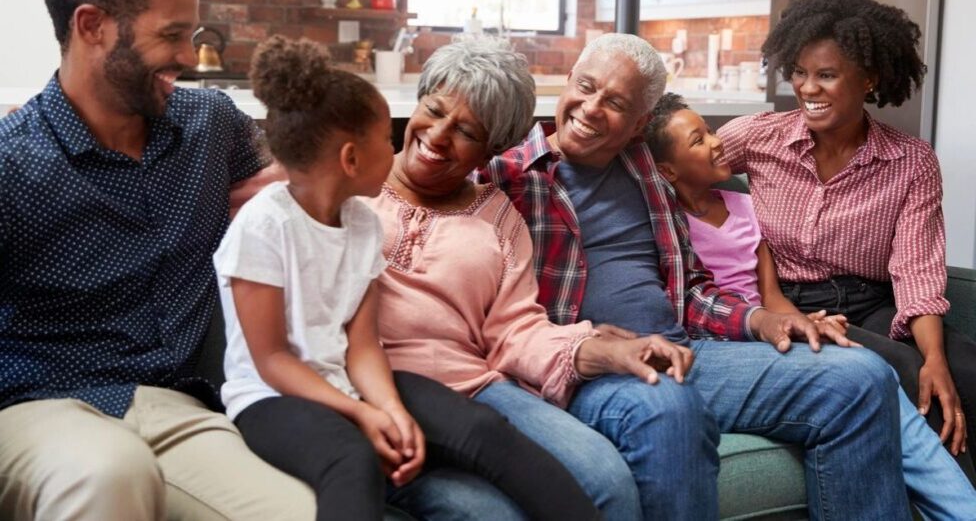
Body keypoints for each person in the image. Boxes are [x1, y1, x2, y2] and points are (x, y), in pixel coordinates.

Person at [480, 32, 912, 520]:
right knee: (668, 404)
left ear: (640, 124)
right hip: (593, 369)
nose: (592, 107)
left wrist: (759, 322)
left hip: (688, 350)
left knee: (862, 378)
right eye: (586, 85)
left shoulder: (645, 169)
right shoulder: (508, 175)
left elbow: (689, 289)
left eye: (616, 102)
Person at [0, 0, 314, 519]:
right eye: (170, 35)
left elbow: (276, 197)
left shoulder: (211, 124)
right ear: (91, 27)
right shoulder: (13, 162)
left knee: (305, 512)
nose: (187, 57)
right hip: (41, 406)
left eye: (191, 35)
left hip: (180, 409)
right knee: (109, 472)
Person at [215, 35, 600, 521]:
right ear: (351, 160)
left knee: (484, 430)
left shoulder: (360, 224)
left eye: (466, 130)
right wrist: (363, 413)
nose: (402, 147)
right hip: (272, 397)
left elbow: (362, 346)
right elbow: (270, 359)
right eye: (385, 140)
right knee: (352, 458)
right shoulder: (265, 221)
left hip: (352, 380)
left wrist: (392, 410)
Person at [368, 37, 696, 520]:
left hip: (477, 390)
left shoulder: (498, 215)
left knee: (605, 480)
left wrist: (602, 350)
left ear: (492, 152)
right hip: (371, 384)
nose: (438, 135)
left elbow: (516, 332)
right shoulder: (352, 181)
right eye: (433, 110)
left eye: (466, 131)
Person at [647, 93, 976, 518]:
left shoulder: (746, 208)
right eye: (700, 138)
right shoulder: (666, 223)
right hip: (732, 340)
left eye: (710, 130)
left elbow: (771, 295)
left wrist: (804, 323)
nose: (717, 141)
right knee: (881, 371)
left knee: (920, 372)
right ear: (667, 170)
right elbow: (688, 302)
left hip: (785, 323)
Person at [718, 0, 976, 472]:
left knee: (962, 371)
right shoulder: (758, 137)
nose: (807, 88)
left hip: (872, 302)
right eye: (799, 72)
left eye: (826, 75)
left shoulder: (910, 161)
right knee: (904, 372)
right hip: (786, 302)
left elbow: (917, 271)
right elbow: (674, 162)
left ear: (870, 79)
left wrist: (936, 355)